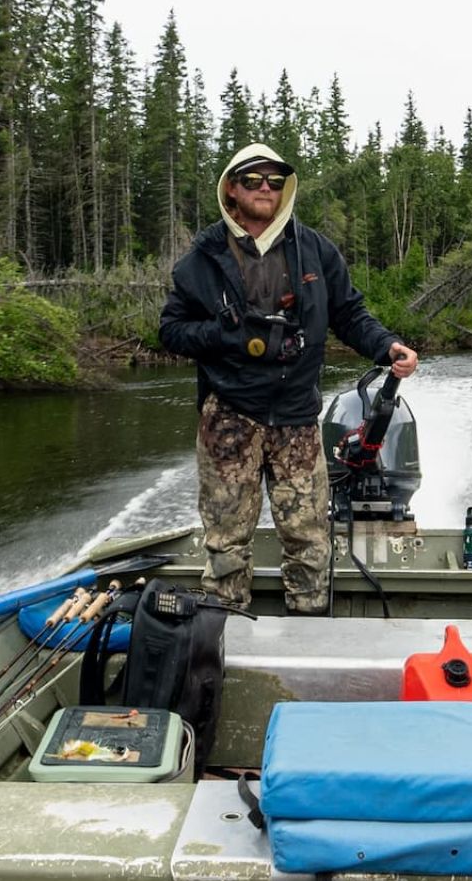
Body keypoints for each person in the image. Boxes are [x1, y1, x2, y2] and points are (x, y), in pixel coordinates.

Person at [159, 143, 418, 614]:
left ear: (284, 189)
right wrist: (225, 332)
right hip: (229, 415)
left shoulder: (315, 250)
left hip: (297, 414)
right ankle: (222, 633)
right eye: (253, 180)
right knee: (225, 540)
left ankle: (310, 627)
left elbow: (349, 313)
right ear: (231, 189)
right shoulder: (202, 257)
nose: (265, 188)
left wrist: (387, 346)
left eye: (274, 181)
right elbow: (171, 331)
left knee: (309, 536)